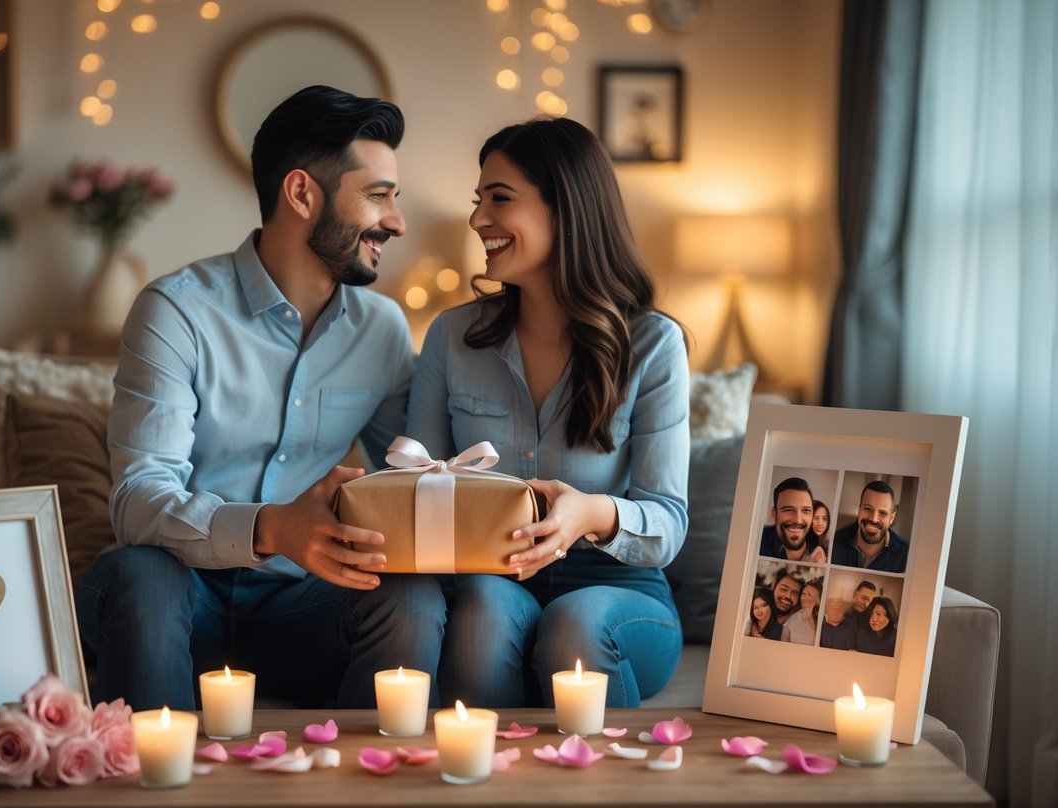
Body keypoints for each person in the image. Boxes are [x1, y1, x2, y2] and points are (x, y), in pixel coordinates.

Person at [75, 86, 447, 712]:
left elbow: (415, 478)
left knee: (410, 597)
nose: (397, 221)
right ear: (302, 193)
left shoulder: (383, 331)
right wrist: (272, 527)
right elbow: (137, 502)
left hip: (301, 608)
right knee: (141, 575)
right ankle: (153, 802)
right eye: (378, 195)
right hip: (176, 596)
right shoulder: (176, 312)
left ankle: (366, 795)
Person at [406, 117, 689, 708]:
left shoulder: (653, 345)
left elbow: (667, 523)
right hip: (492, 579)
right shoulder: (451, 338)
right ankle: (483, 790)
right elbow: (416, 491)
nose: (478, 219)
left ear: (567, 209)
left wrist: (591, 513)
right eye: (478, 200)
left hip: (621, 589)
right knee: (482, 610)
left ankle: (597, 795)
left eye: (499, 199)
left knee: (574, 626)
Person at [831, 481, 909, 572]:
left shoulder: (905, 554)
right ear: (859, 510)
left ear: (891, 518)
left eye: (882, 513)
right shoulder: (834, 542)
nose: (874, 519)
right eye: (868, 509)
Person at [758, 477, 824, 562]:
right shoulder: (755, 544)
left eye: (806, 510)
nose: (798, 520)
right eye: (788, 510)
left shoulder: (824, 550)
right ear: (774, 513)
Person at [780, 578, 822, 645]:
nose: (805, 597)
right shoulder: (796, 616)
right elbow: (783, 641)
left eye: (810, 595)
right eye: (804, 594)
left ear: (818, 601)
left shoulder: (822, 619)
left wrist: (810, 616)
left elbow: (820, 642)